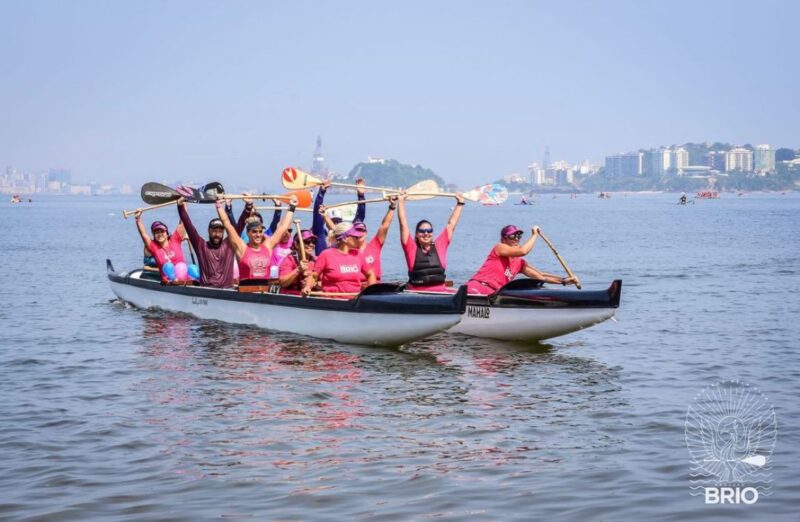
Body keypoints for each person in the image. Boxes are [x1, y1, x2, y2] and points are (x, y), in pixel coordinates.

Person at [466, 225, 578, 295]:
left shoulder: (519, 263)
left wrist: (564, 281)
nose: (516, 238)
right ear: (503, 239)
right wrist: (534, 235)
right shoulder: (499, 248)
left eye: (518, 236)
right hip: (478, 286)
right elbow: (523, 251)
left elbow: (540, 276)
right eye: (512, 236)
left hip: (494, 293)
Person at [216, 194, 298, 282]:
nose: (258, 235)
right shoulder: (242, 248)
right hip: (246, 292)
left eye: (260, 231)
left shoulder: (268, 247)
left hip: (264, 293)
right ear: (248, 233)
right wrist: (219, 206)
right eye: (254, 232)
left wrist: (292, 207)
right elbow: (227, 224)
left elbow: (283, 227)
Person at [397, 191, 465, 292]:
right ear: (416, 234)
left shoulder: (439, 245)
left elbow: (451, 225)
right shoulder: (411, 247)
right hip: (416, 293)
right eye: (422, 231)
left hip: (440, 293)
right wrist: (401, 202)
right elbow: (403, 225)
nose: (426, 233)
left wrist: (460, 203)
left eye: (429, 231)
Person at [303, 222, 376, 296]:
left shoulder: (357, 254)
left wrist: (371, 292)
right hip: (332, 301)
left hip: (354, 300)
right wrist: (307, 287)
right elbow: (313, 276)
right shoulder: (326, 254)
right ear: (344, 238)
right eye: (355, 237)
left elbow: (370, 274)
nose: (358, 239)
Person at [177, 198, 236, 288]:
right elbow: (189, 226)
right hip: (207, 291)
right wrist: (180, 207)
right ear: (209, 231)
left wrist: (229, 207)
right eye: (214, 231)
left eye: (220, 231)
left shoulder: (229, 245)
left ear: (223, 232)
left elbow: (235, 229)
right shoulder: (201, 246)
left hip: (228, 292)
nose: (217, 234)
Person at [351, 197, 396, 281]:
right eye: (356, 231)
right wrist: (325, 216)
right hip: (356, 287)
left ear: (366, 232)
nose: (359, 233)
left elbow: (384, 226)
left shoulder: (375, 245)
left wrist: (392, 207)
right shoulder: (349, 251)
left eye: (362, 230)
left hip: (374, 287)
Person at [133, 213, 187, 282]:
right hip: (168, 283)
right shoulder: (154, 248)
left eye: (162, 231)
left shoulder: (175, 240)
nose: (160, 234)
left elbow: (183, 221)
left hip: (185, 281)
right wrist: (138, 219)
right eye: (157, 232)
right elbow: (144, 235)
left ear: (167, 234)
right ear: (154, 235)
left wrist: (182, 205)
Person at [278, 229, 318, 294]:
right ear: (296, 244)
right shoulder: (289, 260)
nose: (311, 244)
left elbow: (325, 282)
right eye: (307, 241)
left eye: (313, 242)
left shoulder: (316, 260)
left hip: (310, 298)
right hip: (291, 298)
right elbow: (283, 283)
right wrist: (298, 270)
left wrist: (313, 283)